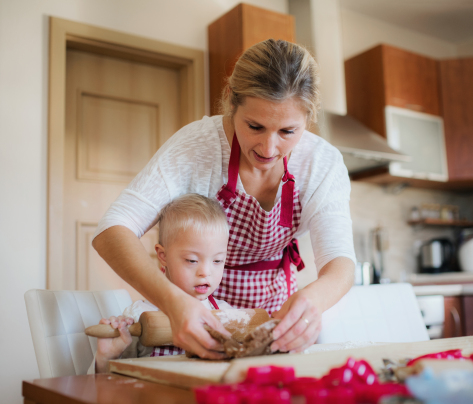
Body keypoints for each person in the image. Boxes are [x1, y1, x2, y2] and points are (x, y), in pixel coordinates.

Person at [92, 39, 356, 359]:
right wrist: (174, 303)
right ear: (232, 101)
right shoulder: (196, 147)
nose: (269, 149)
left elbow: (340, 263)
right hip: (194, 305)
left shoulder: (321, 163)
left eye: (287, 131)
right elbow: (111, 230)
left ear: (308, 118)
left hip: (274, 309)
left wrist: (314, 300)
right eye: (255, 126)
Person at [91, 194, 233, 373]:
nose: (206, 272)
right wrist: (106, 357)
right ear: (163, 256)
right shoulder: (139, 316)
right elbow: (108, 385)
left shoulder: (227, 315)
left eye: (218, 261)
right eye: (191, 260)